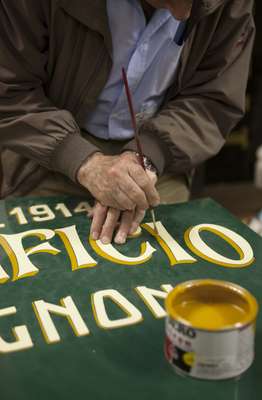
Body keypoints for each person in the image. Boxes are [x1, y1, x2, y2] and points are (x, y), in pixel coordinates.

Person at [0, 0, 254, 244]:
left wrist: (150, 156)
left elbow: (211, 98)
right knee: (44, 270)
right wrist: (83, 161)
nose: (182, 16)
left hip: (163, 147)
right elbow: (10, 90)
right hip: (42, 150)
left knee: (161, 270)